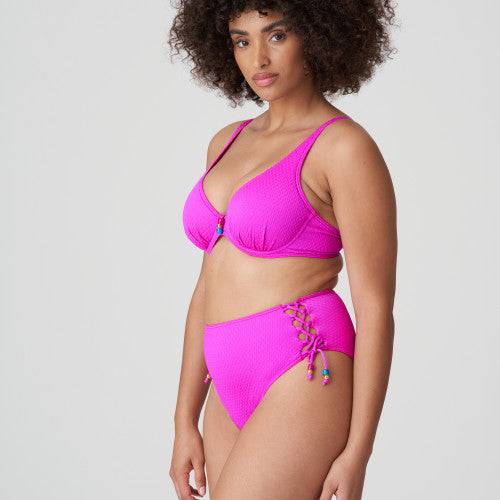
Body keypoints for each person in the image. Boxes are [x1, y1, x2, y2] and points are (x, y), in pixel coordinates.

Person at [168, 2, 397, 499]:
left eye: (277, 35)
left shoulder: (343, 147)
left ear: (317, 34)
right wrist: (184, 418)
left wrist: (358, 452)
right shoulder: (225, 142)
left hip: (303, 362)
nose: (258, 59)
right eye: (241, 40)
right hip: (225, 374)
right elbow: (207, 285)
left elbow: (376, 308)